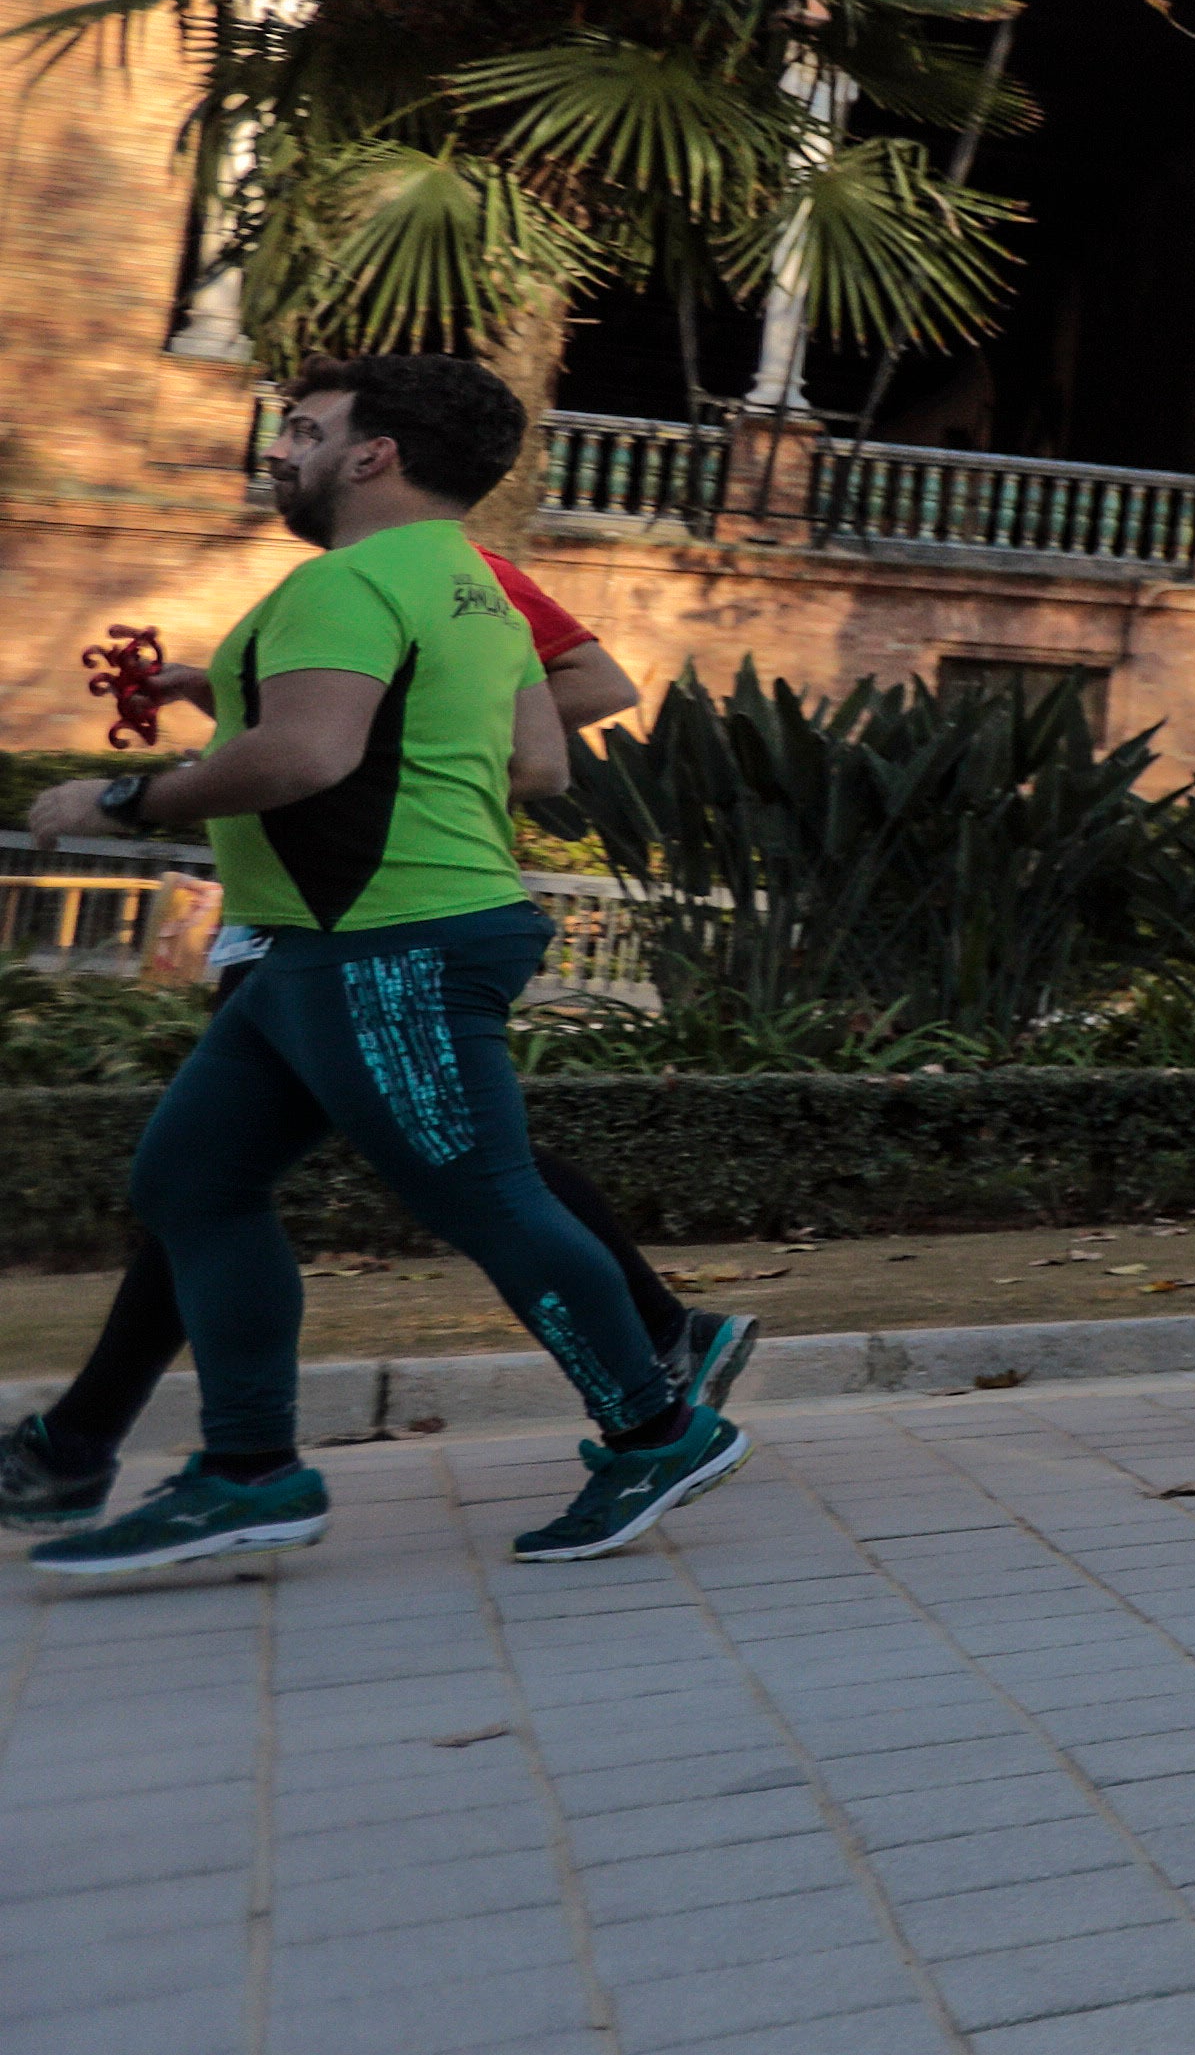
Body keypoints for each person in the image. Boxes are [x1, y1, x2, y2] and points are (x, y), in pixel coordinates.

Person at [25, 358, 739, 1587]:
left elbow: (304, 758)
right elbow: (538, 765)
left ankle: (656, 1427)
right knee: (191, 1182)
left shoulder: (344, 581)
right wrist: (258, 695)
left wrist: (123, 797)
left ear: (375, 455)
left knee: (488, 1200)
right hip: (349, 937)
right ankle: (249, 1473)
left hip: (385, 941)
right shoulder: (474, 589)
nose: (281, 449)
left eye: (304, 430)